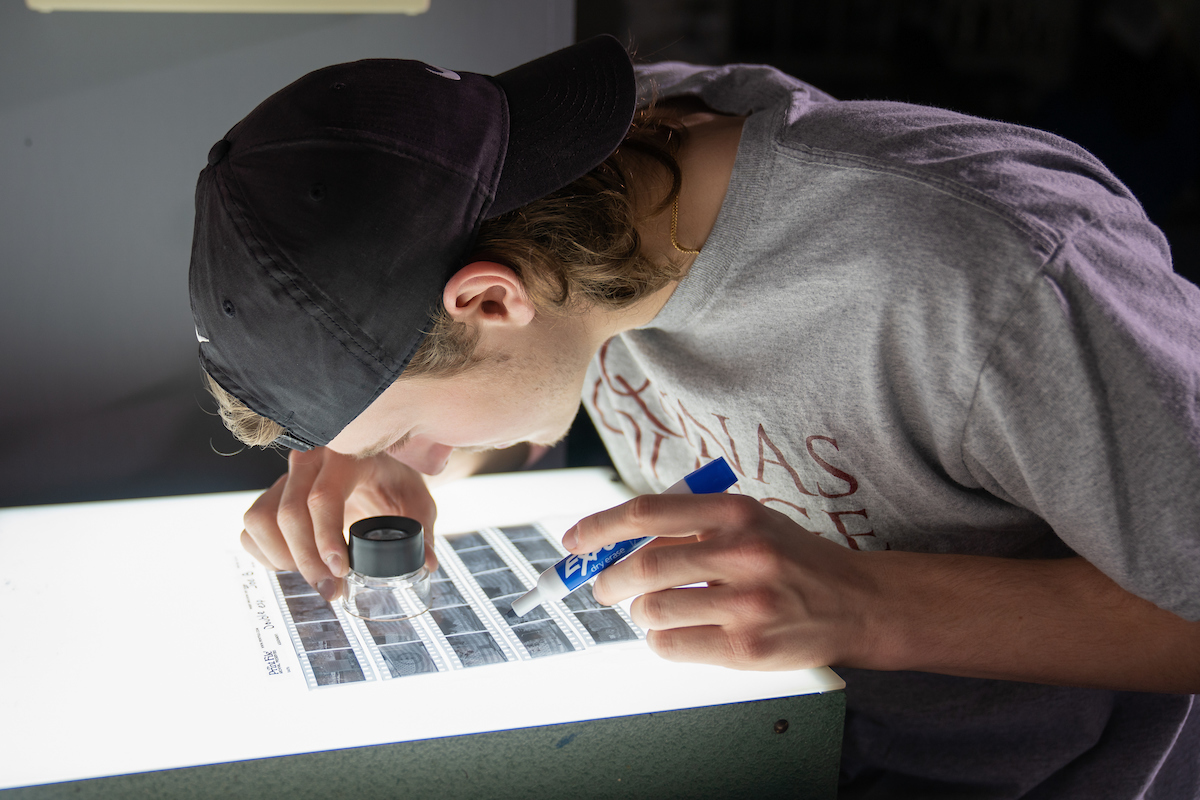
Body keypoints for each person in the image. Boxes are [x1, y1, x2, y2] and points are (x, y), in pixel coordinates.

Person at [189, 34, 1200, 798]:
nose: (404, 453)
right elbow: (526, 384)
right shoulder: (589, 188)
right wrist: (406, 455)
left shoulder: (993, 271)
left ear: (491, 301)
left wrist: (867, 604)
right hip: (764, 734)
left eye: (390, 426)